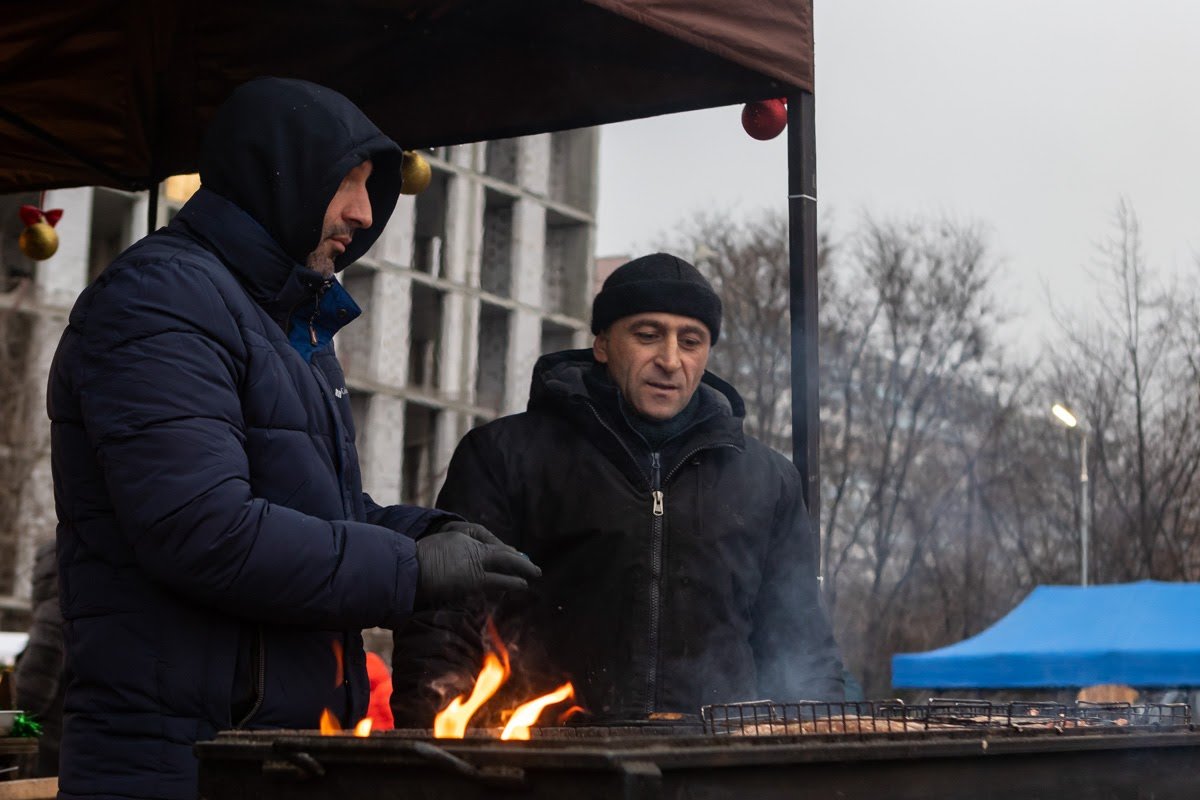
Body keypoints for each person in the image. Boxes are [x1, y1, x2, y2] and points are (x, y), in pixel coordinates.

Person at [46, 77, 538, 800]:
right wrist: (410, 570)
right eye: (347, 180)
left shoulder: (281, 320)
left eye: (370, 187)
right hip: (176, 762)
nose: (364, 213)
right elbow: (204, 530)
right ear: (273, 171)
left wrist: (435, 534)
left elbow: (316, 520)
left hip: (261, 754)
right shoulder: (162, 299)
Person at [391, 253, 844, 725]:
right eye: (647, 335)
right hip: (544, 766)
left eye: (691, 341)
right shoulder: (504, 454)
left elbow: (801, 643)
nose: (670, 360)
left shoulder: (769, 480)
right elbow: (445, 623)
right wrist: (433, 747)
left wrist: (826, 755)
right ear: (604, 343)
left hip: (713, 767)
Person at [12, 540, 64, 777]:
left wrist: (13, 723)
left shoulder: (54, 612)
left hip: (49, 743)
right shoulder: (81, 607)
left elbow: (32, 690)